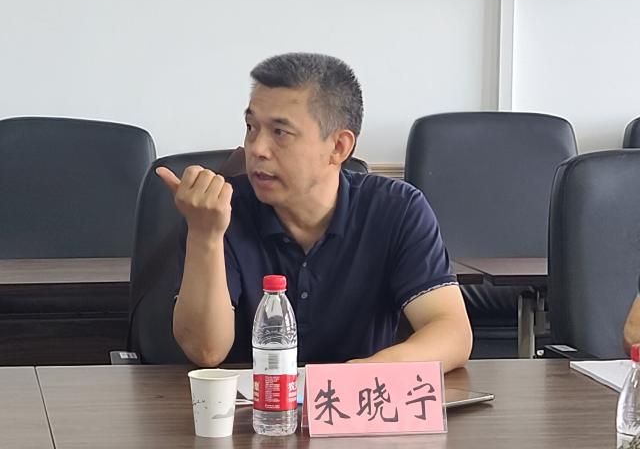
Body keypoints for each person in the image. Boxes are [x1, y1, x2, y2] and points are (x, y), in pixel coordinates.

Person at [156, 53, 472, 372]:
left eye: (280, 132)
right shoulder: (219, 211)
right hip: (251, 399)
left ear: (338, 147)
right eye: (251, 127)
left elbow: (451, 332)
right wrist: (205, 235)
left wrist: (360, 375)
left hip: (357, 399)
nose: (257, 148)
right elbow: (206, 351)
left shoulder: (397, 209)